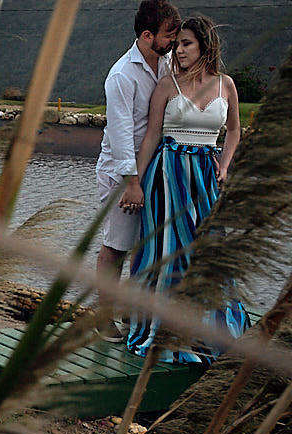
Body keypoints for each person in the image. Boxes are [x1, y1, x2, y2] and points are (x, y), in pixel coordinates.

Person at [123, 14, 249, 362]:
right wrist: (135, 182)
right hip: (168, 176)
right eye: (176, 44)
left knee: (206, 251)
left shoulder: (226, 84)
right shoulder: (167, 85)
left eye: (186, 44)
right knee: (166, 254)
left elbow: (235, 131)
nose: (178, 51)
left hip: (206, 178)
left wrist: (224, 164)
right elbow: (151, 136)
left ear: (204, 46)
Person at [94, 0, 181, 340]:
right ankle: (103, 319)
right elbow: (119, 135)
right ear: (147, 36)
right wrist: (131, 183)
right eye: (168, 35)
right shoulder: (121, 76)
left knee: (145, 246)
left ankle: (132, 313)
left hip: (156, 167)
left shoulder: (166, 62)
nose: (173, 42)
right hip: (122, 173)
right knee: (116, 246)